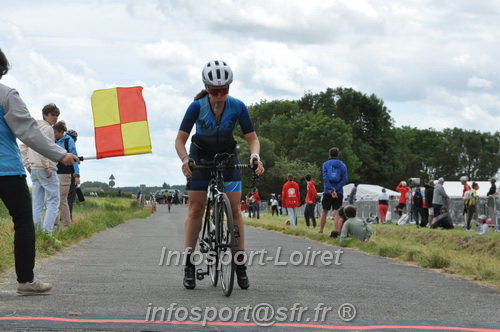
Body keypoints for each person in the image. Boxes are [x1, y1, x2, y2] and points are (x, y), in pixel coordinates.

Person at [175, 60, 264, 290]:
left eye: (224, 90)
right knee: (196, 208)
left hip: (227, 157)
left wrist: (255, 156)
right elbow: (180, 140)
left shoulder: (238, 106)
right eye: (215, 91)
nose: (220, 95)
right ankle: (189, 263)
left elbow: (252, 138)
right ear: (206, 87)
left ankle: (240, 263)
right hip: (200, 156)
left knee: (235, 210)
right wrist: (186, 160)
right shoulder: (196, 107)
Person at [0, 48, 79, 294]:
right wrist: (60, 154)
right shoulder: (7, 95)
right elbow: (28, 132)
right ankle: (25, 281)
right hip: (7, 170)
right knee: (23, 221)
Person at [20, 103, 62, 235]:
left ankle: (36, 233)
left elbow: (23, 146)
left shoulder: (33, 127)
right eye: (52, 115)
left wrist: (27, 164)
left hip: (34, 168)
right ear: (45, 115)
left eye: (56, 115)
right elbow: (45, 148)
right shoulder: (48, 129)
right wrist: (48, 166)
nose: (55, 118)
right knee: (53, 201)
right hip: (46, 169)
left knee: (37, 204)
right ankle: (46, 233)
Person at [54, 121, 80, 227]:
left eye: (55, 132)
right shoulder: (53, 140)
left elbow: (75, 157)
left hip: (65, 172)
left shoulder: (68, 141)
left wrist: (77, 174)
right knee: (54, 198)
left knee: (62, 199)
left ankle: (66, 223)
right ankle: (54, 223)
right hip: (54, 171)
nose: (53, 134)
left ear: (61, 132)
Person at [319, 147, 348, 234]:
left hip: (328, 191)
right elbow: (344, 179)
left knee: (324, 211)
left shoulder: (325, 164)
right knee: (337, 212)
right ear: (338, 154)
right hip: (339, 191)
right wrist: (336, 189)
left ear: (329, 154)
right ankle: (337, 231)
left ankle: (321, 230)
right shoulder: (343, 165)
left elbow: (325, 178)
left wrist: (331, 189)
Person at [66, 129, 80, 220]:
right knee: (70, 197)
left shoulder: (59, 143)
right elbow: (75, 162)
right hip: (70, 173)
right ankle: (68, 218)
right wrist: (77, 175)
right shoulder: (71, 146)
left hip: (59, 172)